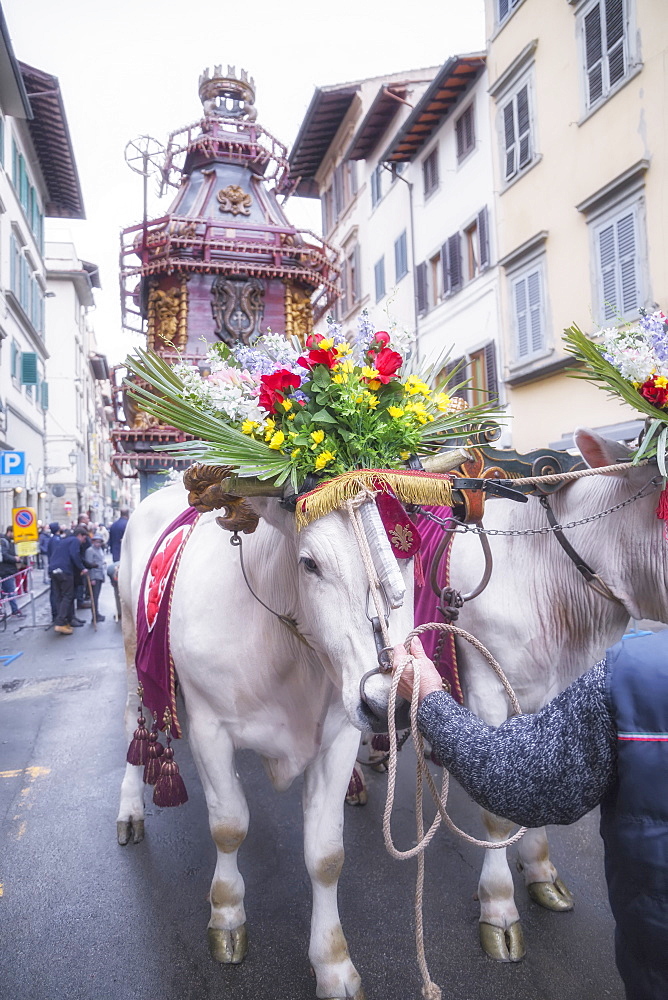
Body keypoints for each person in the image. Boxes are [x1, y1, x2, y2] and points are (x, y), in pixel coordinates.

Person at [392, 631, 668, 1000]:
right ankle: (519, 865)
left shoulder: (639, 673)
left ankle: (526, 863)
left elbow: (516, 775)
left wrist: (428, 699)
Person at [50, 525, 89, 635]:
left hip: (53, 569)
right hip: (65, 570)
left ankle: (65, 619)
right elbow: (74, 555)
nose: (83, 541)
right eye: (84, 538)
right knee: (68, 596)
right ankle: (60, 622)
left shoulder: (64, 541)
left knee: (60, 596)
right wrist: (82, 568)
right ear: (79, 535)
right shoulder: (74, 541)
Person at [0, 527, 24, 618]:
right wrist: (14, 558)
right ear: (9, 532)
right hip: (6, 570)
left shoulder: (9, 541)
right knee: (10, 591)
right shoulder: (4, 542)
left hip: (8, 569)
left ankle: (14, 610)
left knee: (5, 591)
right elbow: (4, 555)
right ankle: (15, 610)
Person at [83, 533, 106, 622]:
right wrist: (92, 578)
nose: (98, 544)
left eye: (99, 542)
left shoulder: (100, 549)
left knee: (96, 596)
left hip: (100, 575)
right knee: (94, 597)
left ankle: (96, 613)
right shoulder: (90, 551)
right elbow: (90, 565)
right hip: (95, 576)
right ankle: (94, 615)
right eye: (96, 542)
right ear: (93, 542)